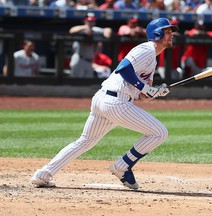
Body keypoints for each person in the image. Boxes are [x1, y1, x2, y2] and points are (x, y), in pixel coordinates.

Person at [30, 17, 177, 190]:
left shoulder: (152, 59)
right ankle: (122, 166)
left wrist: (155, 92)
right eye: (167, 32)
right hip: (115, 101)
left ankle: (43, 174)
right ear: (157, 33)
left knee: (84, 141)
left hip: (106, 100)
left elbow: (143, 96)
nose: (171, 35)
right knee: (159, 133)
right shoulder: (147, 48)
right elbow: (123, 68)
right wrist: (146, 88)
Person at [69, 12, 112, 78]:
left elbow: (108, 30)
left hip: (90, 61)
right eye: (89, 20)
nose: (91, 22)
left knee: (88, 85)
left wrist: (107, 33)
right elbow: (71, 31)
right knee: (76, 83)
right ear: (85, 21)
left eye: (92, 21)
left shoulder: (96, 30)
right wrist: (86, 27)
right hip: (79, 59)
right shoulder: (81, 29)